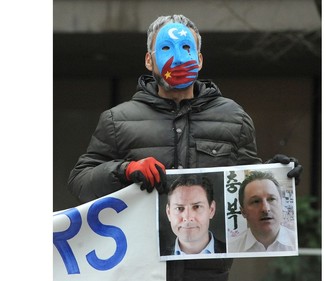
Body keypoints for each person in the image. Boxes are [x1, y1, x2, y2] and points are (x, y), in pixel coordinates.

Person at [68, 14, 302, 281]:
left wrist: (279, 174)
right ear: (149, 60)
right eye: (166, 49)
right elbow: (80, 182)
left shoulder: (233, 118)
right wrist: (125, 170)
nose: (178, 59)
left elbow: (247, 181)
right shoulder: (116, 121)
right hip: (138, 271)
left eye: (187, 49)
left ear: (200, 60)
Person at [228, 170, 296, 252]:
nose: (265, 209)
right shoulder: (230, 248)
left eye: (271, 199)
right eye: (256, 201)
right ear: (243, 212)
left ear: (281, 205)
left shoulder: (298, 244)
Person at [162, 174, 226, 256]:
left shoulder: (235, 252)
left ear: (211, 210)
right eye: (179, 208)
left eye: (196, 207)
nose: (188, 217)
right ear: (168, 213)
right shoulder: (154, 259)